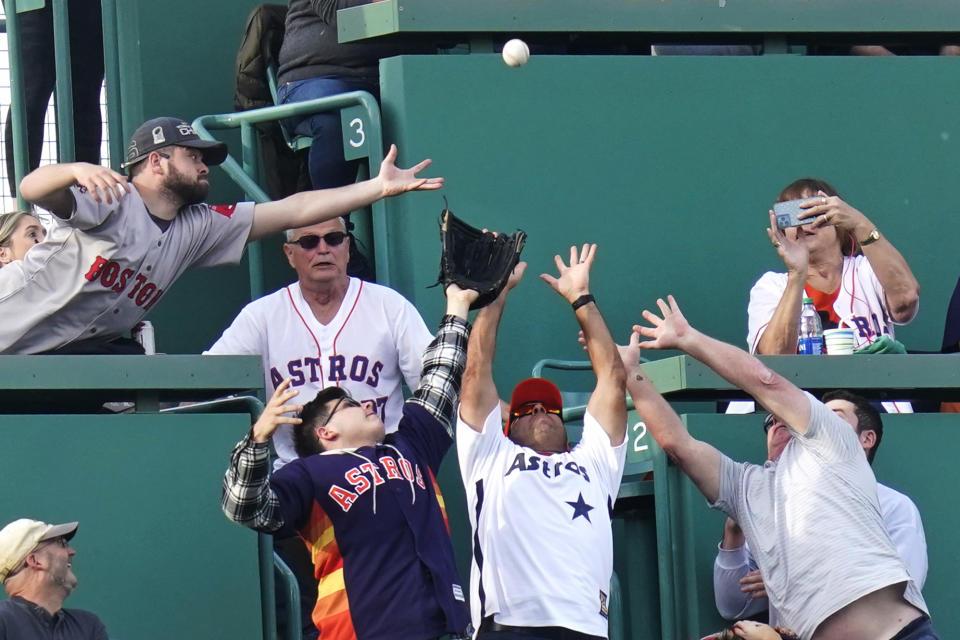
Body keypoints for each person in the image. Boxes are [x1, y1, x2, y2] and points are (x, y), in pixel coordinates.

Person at [622, 295, 936, 640]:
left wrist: (689, 339)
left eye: (782, 415)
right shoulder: (744, 488)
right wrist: (630, 373)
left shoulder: (833, 444)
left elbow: (763, 381)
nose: (777, 422)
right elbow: (676, 443)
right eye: (769, 421)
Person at [0, 116, 441, 355]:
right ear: (156, 162)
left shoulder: (199, 225)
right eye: (192, 156)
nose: (203, 166)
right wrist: (74, 169)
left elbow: (294, 209)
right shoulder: (115, 197)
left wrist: (376, 189)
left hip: (59, 353)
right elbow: (30, 188)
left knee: (129, 373)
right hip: (8, 318)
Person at [222, 281, 477, 639]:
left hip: (445, 627)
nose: (367, 404)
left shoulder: (410, 445)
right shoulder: (309, 473)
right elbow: (245, 508)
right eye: (351, 405)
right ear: (326, 432)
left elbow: (441, 378)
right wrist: (257, 439)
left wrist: (458, 303)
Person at [456, 244, 628, 639]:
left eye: (548, 408)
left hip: (584, 627)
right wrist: (497, 292)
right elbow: (475, 373)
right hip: (509, 626)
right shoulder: (490, 455)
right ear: (507, 425)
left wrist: (581, 298)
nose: (538, 412)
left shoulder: (596, 461)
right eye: (526, 409)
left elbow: (613, 379)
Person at [206, 214, 432, 470]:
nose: (323, 249)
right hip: (299, 475)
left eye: (334, 239)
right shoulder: (262, 316)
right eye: (309, 242)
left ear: (347, 248)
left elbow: (433, 386)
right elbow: (207, 383)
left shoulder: (388, 306)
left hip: (382, 469)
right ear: (290, 254)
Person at [714, 390, 928, 625]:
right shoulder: (780, 506)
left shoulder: (894, 506)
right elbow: (732, 606)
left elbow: (901, 593)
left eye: (834, 419)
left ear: (867, 439)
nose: (821, 428)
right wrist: (735, 531)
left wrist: (790, 580)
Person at [739, 178, 919, 414]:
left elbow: (906, 302)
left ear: (837, 222)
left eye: (814, 211)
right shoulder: (772, 285)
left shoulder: (868, 270)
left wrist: (860, 223)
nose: (804, 223)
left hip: (873, 407)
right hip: (798, 410)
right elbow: (776, 357)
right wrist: (797, 273)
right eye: (792, 215)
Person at [276, 0, 433, 190]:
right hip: (316, 79)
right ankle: (332, 217)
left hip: (398, 79)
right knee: (340, 113)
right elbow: (342, 9)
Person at [2, 0, 104, 195]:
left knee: (84, 97)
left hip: (88, 6)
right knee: (31, 93)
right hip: (33, 5)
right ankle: (22, 206)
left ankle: (85, 199)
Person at [0, 518, 107, 639]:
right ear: (35, 560)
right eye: (62, 543)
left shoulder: (88, 626)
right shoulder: (4, 621)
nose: (72, 551)